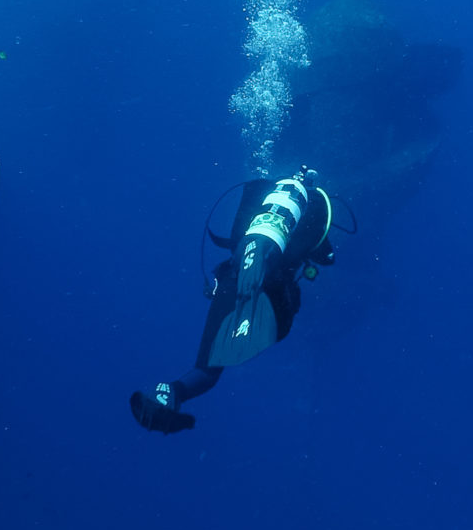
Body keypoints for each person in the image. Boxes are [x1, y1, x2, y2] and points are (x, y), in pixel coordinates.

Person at [131, 165, 338, 434]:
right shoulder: (313, 207)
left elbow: (224, 233)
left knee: (207, 369)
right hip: (274, 286)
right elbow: (327, 256)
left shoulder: (254, 203)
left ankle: (170, 393)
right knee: (281, 324)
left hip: (230, 278)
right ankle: (257, 278)